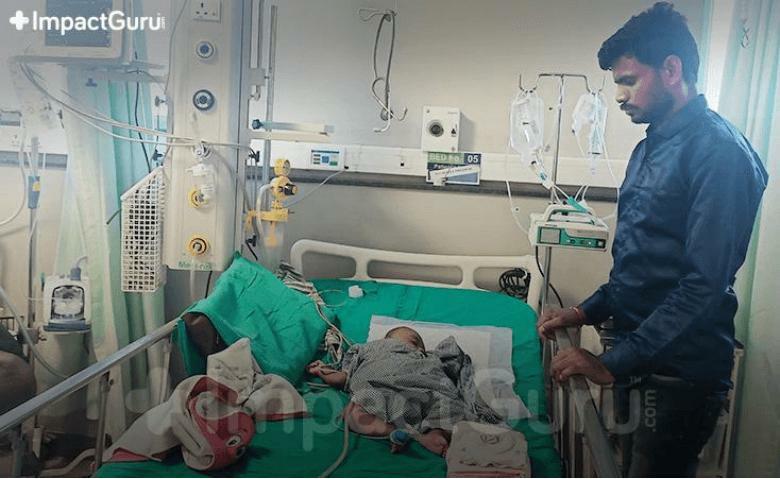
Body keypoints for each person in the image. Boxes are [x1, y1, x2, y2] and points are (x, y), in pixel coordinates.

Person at [536, 2, 768, 477]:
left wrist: (613, 362)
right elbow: (641, 264)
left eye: (629, 80)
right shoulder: (651, 147)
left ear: (671, 69)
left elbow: (702, 284)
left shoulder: (719, 154)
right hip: (639, 353)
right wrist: (585, 312)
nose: (619, 96)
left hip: (678, 374)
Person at [307, 326, 498, 457]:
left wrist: (323, 372)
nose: (416, 345)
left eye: (418, 343)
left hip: (391, 390)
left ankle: (406, 432)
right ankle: (430, 434)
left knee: (354, 413)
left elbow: (342, 378)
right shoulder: (374, 348)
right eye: (413, 339)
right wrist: (324, 370)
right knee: (447, 406)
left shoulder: (426, 357)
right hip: (414, 389)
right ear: (386, 340)